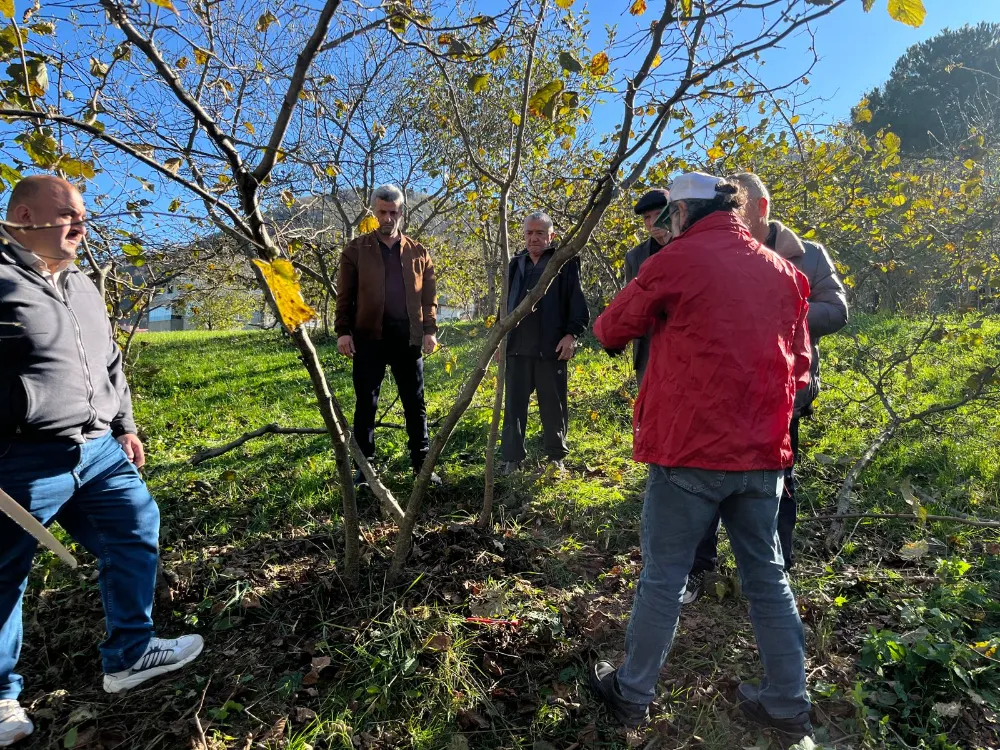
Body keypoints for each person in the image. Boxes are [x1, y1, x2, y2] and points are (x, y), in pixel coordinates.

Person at [589, 172, 815, 743]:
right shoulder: (785, 272)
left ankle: (632, 693)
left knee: (664, 576)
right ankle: (788, 704)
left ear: (682, 212)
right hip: (764, 454)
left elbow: (611, 329)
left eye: (669, 213)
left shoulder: (675, 260)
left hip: (689, 450)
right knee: (768, 577)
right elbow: (800, 369)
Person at [0, 176, 204, 748]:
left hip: (98, 452)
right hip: (20, 459)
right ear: (23, 215)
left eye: (84, 216)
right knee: (3, 573)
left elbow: (111, 360)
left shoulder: (84, 283)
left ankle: (130, 652)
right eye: (68, 216)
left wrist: (125, 425)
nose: (81, 228)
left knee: (135, 531)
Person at [682, 171, 849, 604]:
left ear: (761, 208)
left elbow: (837, 310)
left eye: (737, 207)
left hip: (780, 397)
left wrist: (780, 309)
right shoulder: (720, 253)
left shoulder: (808, 256)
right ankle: (701, 569)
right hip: (719, 392)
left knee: (778, 487)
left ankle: (775, 572)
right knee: (705, 481)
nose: (729, 216)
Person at [335, 184, 441, 486]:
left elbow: (429, 297)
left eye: (393, 212)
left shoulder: (419, 252)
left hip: (407, 337)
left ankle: (422, 466)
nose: (388, 218)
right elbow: (345, 295)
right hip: (369, 336)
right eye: (382, 212)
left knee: (415, 401)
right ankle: (364, 470)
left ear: (401, 213)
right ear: (373, 211)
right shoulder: (356, 250)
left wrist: (429, 330)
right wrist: (343, 331)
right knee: (366, 402)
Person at [500, 212, 589, 474]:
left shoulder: (564, 262)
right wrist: (500, 340)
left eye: (540, 232)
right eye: (529, 232)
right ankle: (512, 459)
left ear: (552, 235)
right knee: (513, 406)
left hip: (551, 348)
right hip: (517, 347)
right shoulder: (515, 263)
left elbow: (577, 302)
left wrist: (571, 335)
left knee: (553, 405)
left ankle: (555, 458)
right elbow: (504, 305)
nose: (534, 238)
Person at [624, 189, 671, 385]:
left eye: (659, 215)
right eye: (646, 218)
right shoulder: (635, 256)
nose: (652, 223)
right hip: (647, 350)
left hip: (686, 348)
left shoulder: (692, 246)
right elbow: (629, 301)